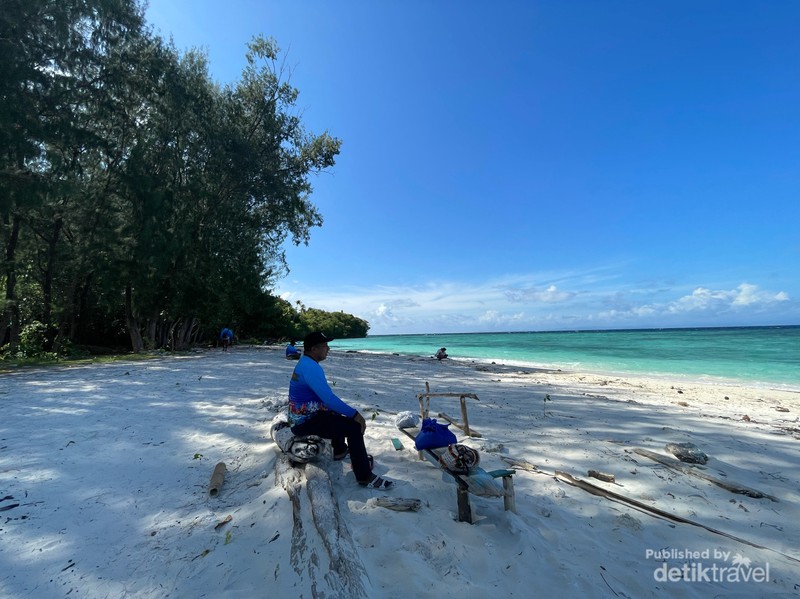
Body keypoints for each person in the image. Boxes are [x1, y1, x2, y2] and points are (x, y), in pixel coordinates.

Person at [288, 331, 394, 489]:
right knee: (354, 427)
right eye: (324, 346)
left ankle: (340, 450)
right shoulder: (310, 368)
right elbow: (329, 398)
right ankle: (364, 476)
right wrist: (356, 415)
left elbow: (327, 399)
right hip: (303, 422)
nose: (328, 349)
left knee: (337, 412)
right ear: (313, 349)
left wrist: (347, 412)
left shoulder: (306, 362)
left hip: (304, 415)